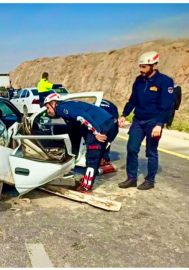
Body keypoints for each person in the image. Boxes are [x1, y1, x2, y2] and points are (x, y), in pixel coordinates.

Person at [118, 51, 174, 190]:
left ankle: (150, 181)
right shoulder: (139, 80)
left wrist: (159, 124)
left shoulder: (165, 81)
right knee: (131, 149)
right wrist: (124, 115)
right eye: (140, 66)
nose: (141, 69)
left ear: (153, 66)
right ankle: (131, 178)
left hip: (153, 121)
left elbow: (167, 106)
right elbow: (133, 100)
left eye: (144, 67)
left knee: (151, 152)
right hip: (138, 120)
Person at [44, 93, 118, 193]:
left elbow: (82, 117)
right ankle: (87, 181)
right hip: (108, 122)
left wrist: (96, 132)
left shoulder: (63, 107)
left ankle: (86, 187)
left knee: (92, 158)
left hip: (99, 124)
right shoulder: (69, 105)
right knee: (96, 157)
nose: (47, 111)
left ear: (54, 103)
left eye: (48, 107)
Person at [99, 99, 119, 166]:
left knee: (106, 141)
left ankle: (105, 158)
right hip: (98, 114)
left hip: (110, 111)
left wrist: (109, 141)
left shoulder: (113, 118)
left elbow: (115, 130)